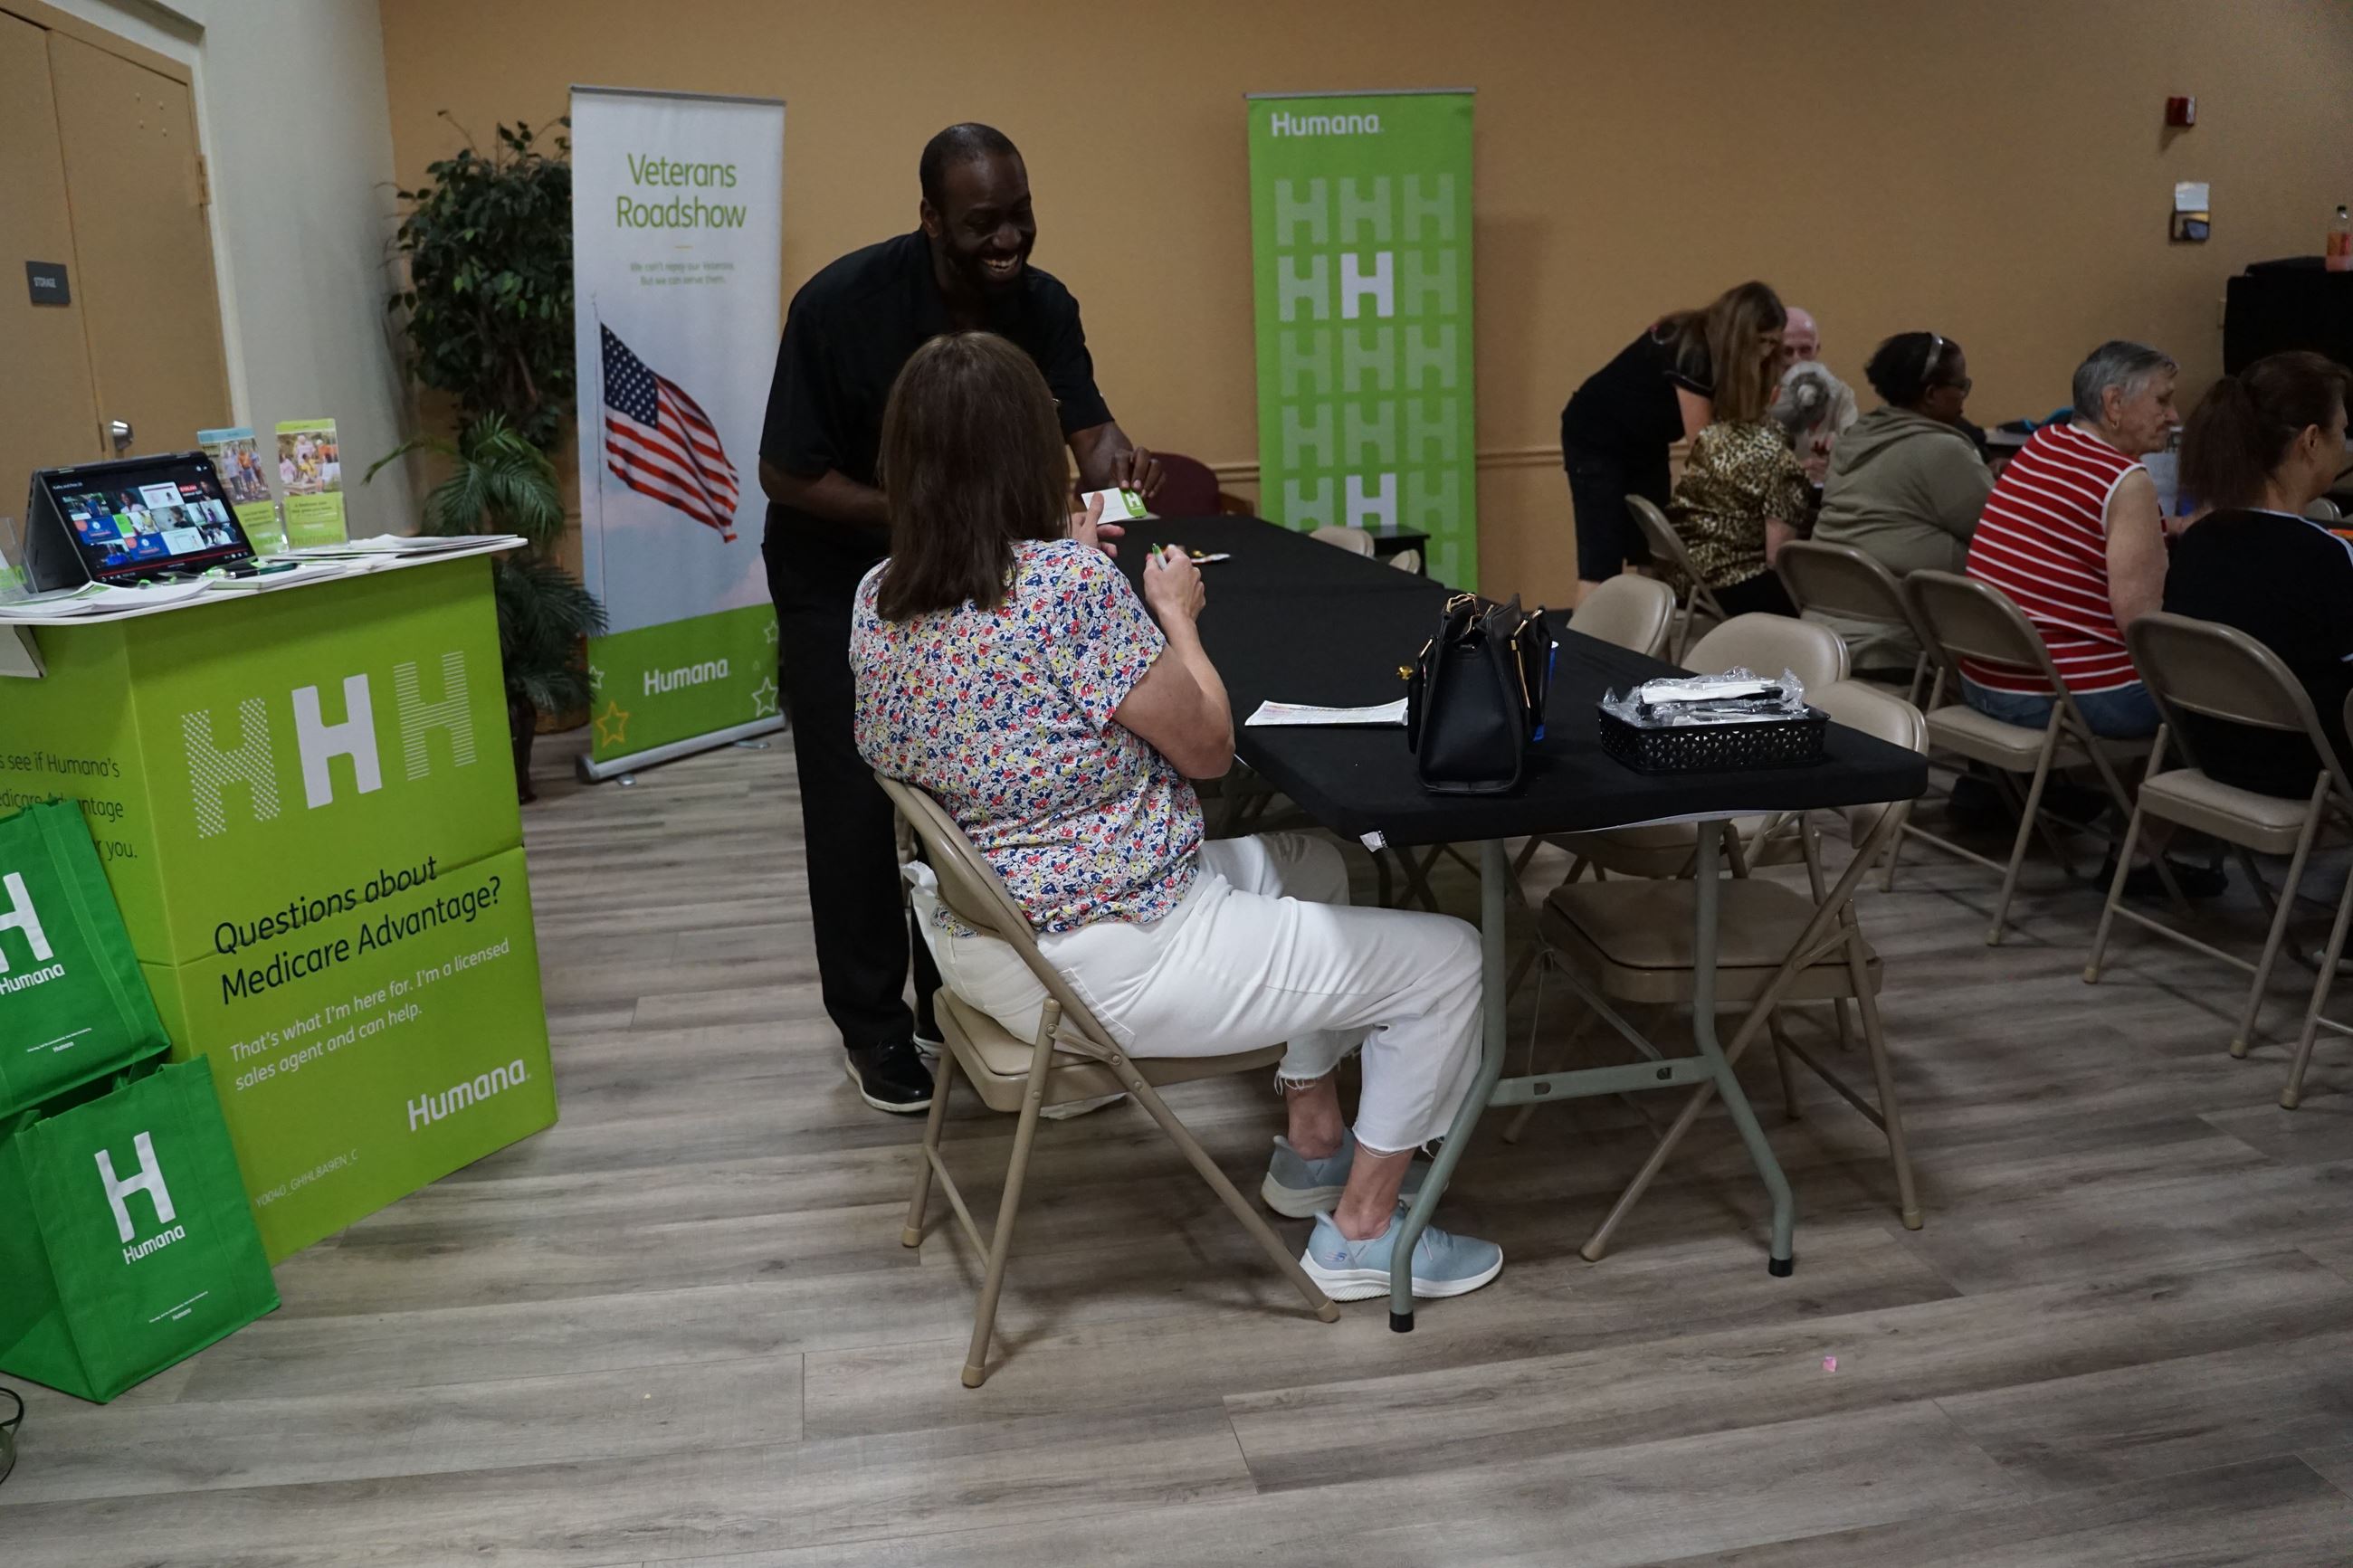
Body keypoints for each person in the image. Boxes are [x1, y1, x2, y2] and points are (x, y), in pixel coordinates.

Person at [851, 332, 1503, 1303]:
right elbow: (1204, 746)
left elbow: (972, 688)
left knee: (1315, 863)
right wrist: (1174, 616)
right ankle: (1363, 1232)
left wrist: (1060, 571)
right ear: (1031, 451)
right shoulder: (1063, 596)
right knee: (1450, 959)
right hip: (1118, 947)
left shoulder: (876, 596)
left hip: (994, 935)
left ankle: (1313, 1143)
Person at [759, 123, 1165, 1114]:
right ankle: (872, 1026)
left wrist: (1112, 460)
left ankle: (953, 1002)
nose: (1007, 239)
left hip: (976, 575)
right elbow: (787, 471)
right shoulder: (841, 307)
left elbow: (1088, 425)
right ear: (930, 218)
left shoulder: (1043, 303)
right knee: (859, 805)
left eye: (1020, 214)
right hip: (841, 577)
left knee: (969, 799)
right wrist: (931, 509)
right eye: (982, 222)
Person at [1961, 340, 2181, 737]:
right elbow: (2142, 626)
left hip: (1982, 678)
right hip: (2067, 695)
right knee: (2217, 694)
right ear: (2114, 404)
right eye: (2163, 402)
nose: (2173, 416)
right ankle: (2146, 798)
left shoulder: (2042, 444)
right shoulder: (2125, 481)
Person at [2163, 351, 2353, 796]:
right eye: (2342, 431)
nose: (2345, 445)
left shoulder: (2198, 540)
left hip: (2211, 752)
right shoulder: (2324, 556)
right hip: (2310, 767)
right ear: (2310, 441)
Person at [1559, 281, 1787, 603]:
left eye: (1771, 343)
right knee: (1601, 560)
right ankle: (1581, 651)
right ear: (1739, 332)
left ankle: (1647, 644)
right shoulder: (1691, 347)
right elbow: (1704, 443)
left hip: (1645, 441)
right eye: (1759, 341)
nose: (1765, 352)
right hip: (1596, 437)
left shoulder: (1720, 353)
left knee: (1654, 553)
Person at [1810, 331, 1994, 675]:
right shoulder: (1942, 451)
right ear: (1930, 394)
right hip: (1895, 642)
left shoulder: (1855, 438)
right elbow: (1999, 542)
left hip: (1824, 632)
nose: (1964, 396)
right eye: (1961, 385)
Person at [1663, 305, 1808, 619]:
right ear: (1773, 396)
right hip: (1733, 586)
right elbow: (1778, 560)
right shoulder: (1781, 463)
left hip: (1686, 577)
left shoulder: (1709, 438)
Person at [1774, 307, 1861, 480]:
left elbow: (1858, 449)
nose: (1797, 360)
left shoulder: (1840, 393)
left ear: (1817, 349)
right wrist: (1795, 470)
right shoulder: (1760, 398)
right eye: (1787, 351)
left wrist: (1840, 444)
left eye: (1805, 350)